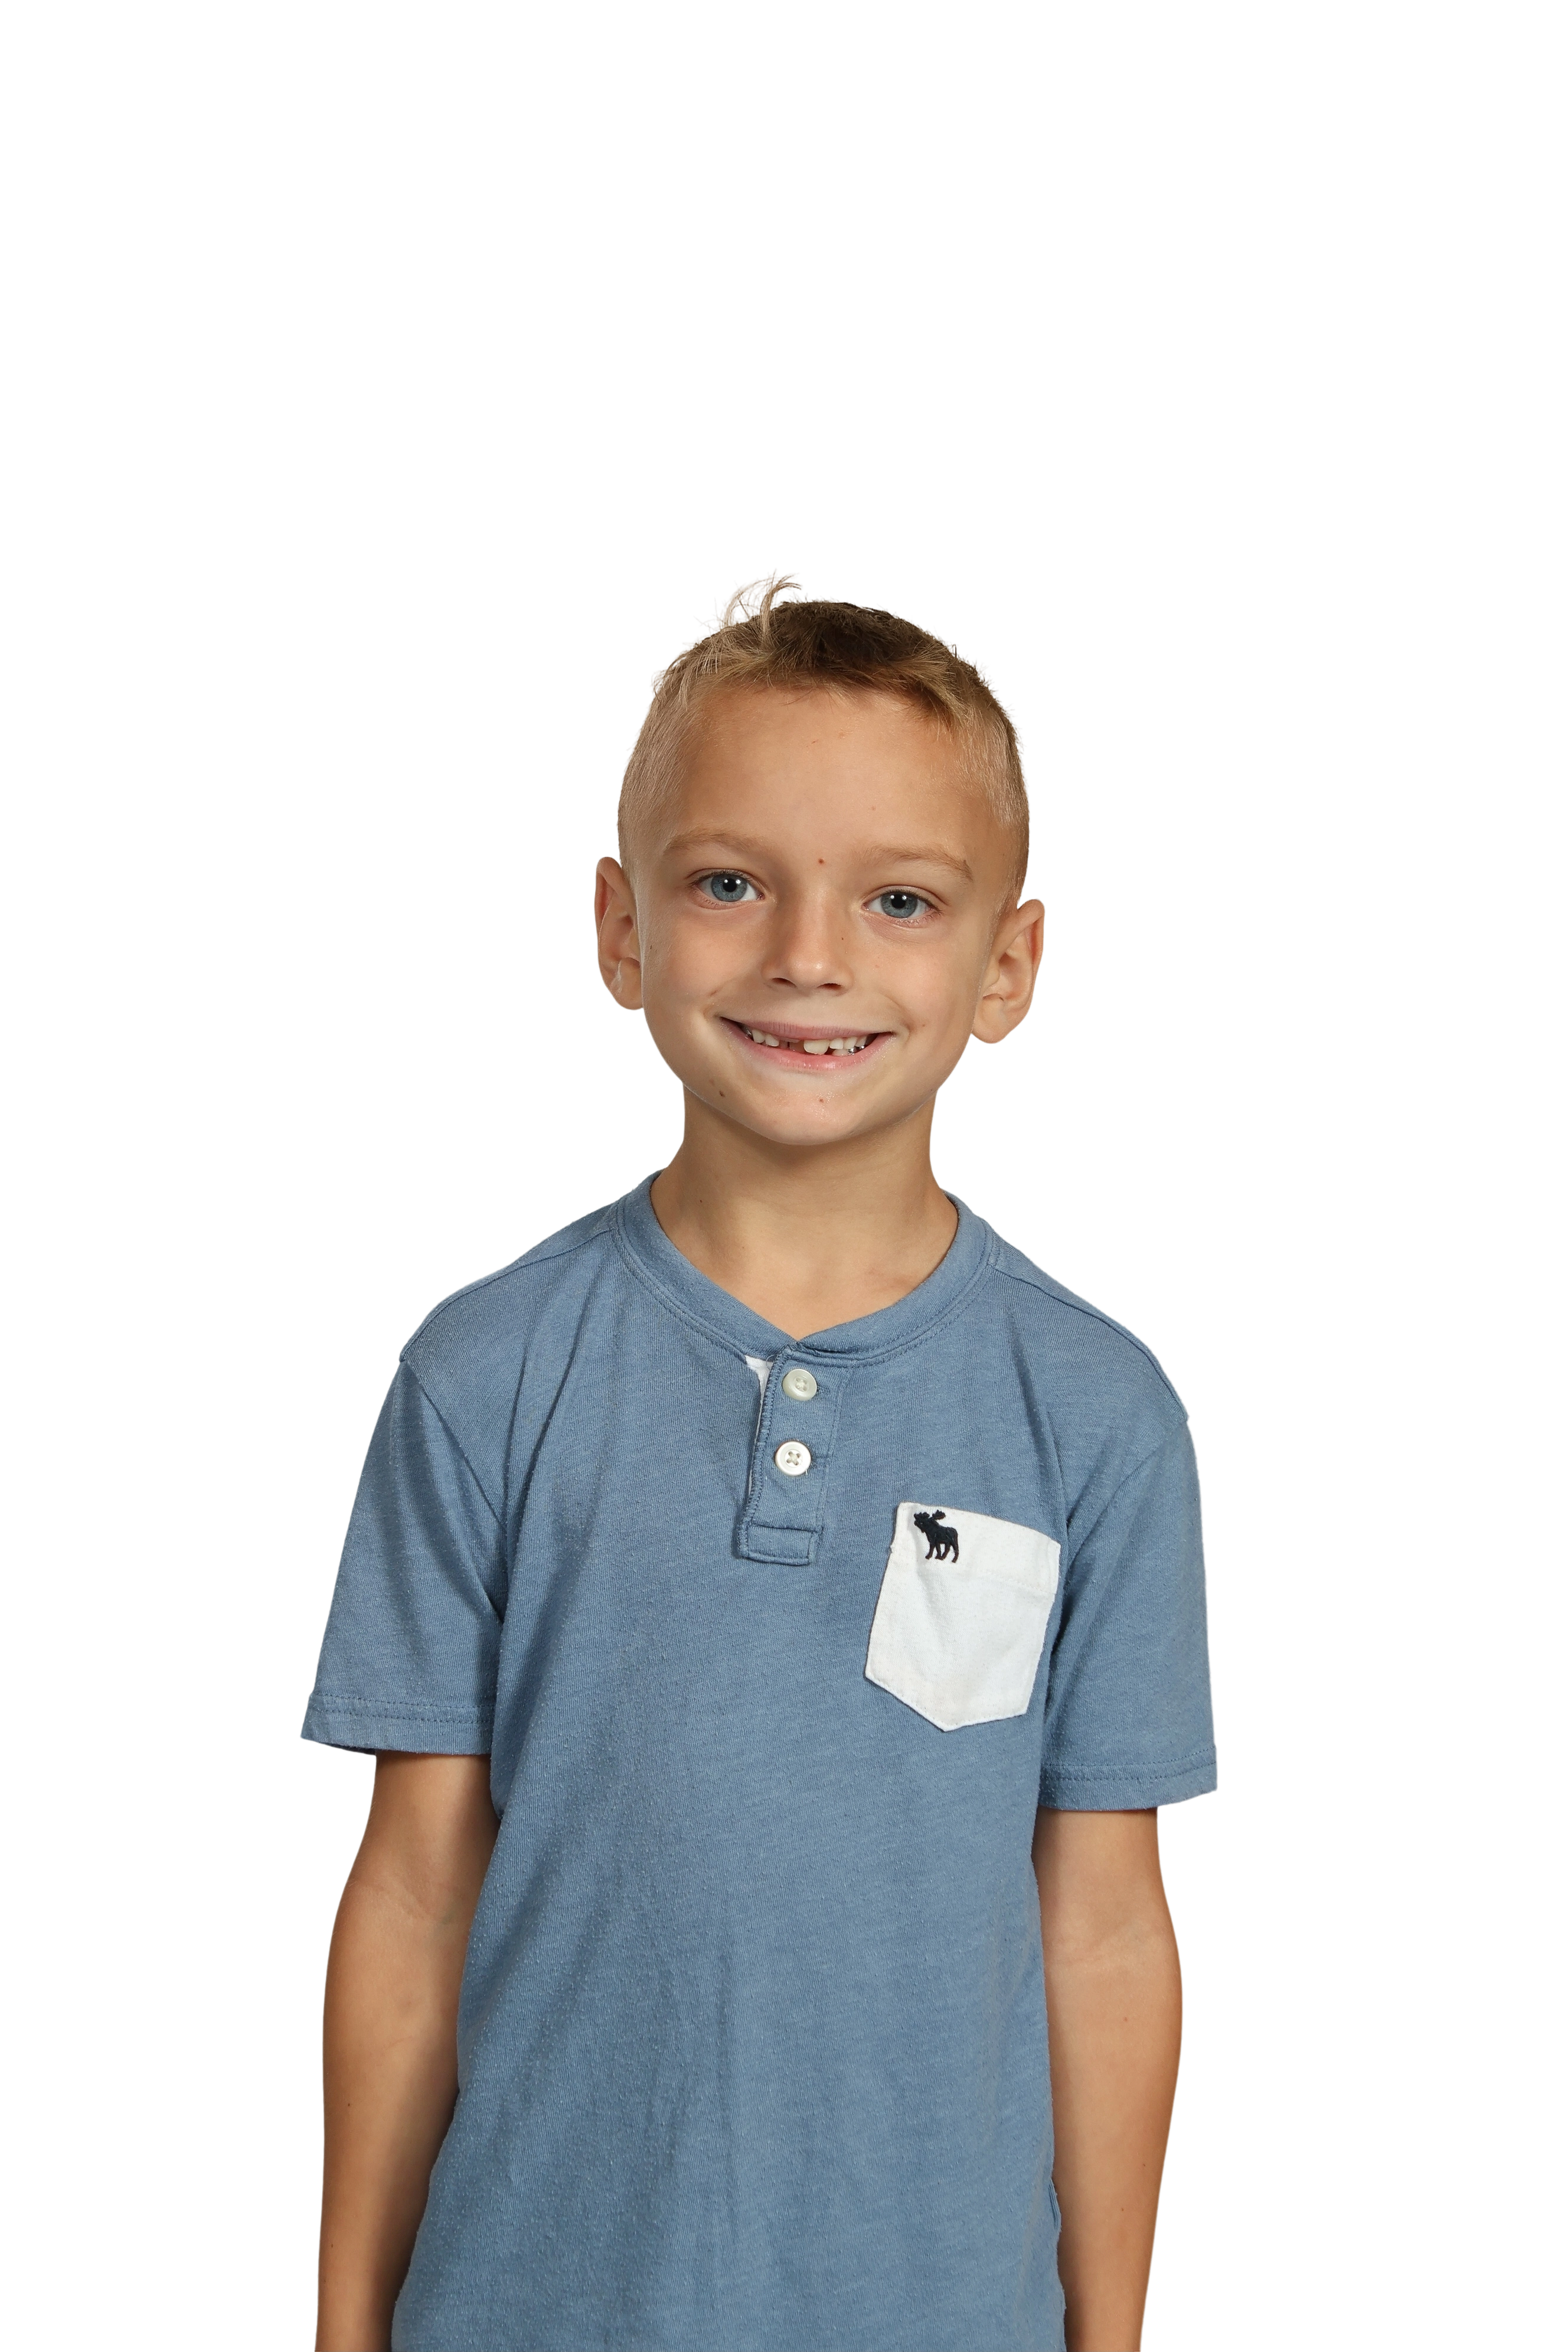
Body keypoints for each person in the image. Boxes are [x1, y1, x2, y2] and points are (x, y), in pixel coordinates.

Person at [300, 570, 1220, 2352]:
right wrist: (345, 2329)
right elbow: (413, 1892)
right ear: (620, 929)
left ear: (1010, 963)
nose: (810, 954)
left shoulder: (1094, 1412)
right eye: (731, 882)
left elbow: (1104, 1928)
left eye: (899, 898)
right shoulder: (486, 1373)